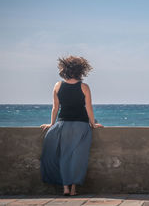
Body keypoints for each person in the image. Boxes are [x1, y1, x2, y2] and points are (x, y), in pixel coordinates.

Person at [40, 55, 104, 196]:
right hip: (81, 126)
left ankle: (65, 188)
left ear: (64, 70)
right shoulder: (84, 87)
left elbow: (55, 108)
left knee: (63, 156)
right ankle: (74, 189)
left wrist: (51, 123)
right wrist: (93, 123)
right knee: (77, 157)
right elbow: (89, 108)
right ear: (81, 70)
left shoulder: (57, 86)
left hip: (63, 125)